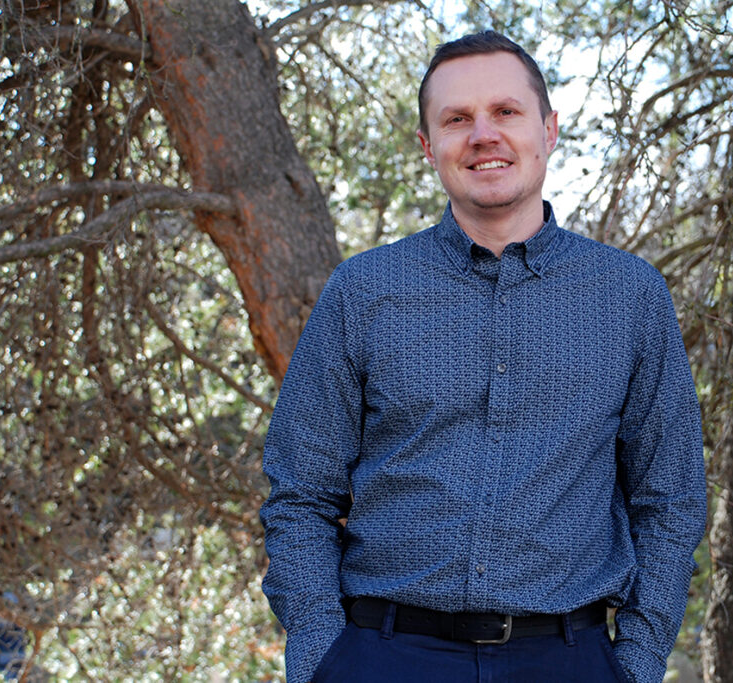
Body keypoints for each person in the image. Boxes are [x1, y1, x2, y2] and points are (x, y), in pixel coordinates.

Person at [260, 30, 707, 683]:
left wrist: (635, 661)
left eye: (505, 112)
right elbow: (300, 490)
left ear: (548, 130)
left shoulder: (630, 296)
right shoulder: (364, 291)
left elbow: (671, 496)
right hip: (384, 657)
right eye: (457, 119)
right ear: (428, 146)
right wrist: (322, 656)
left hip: (569, 660)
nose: (483, 134)